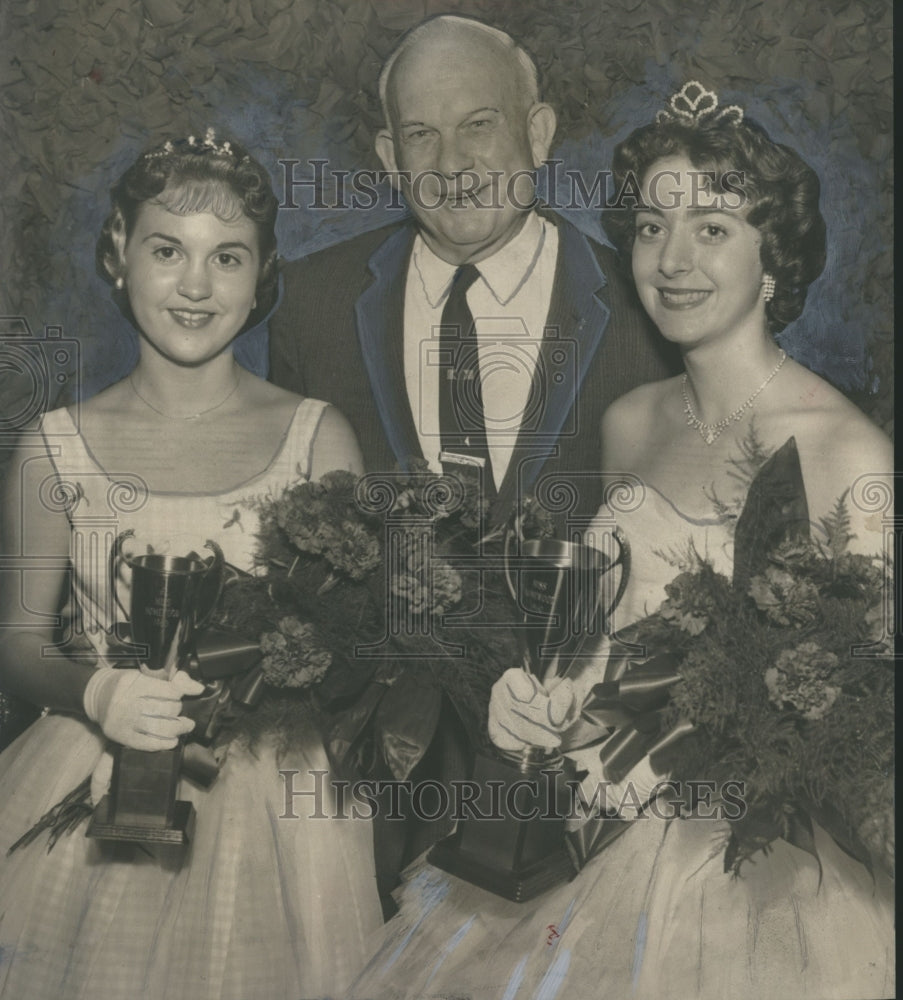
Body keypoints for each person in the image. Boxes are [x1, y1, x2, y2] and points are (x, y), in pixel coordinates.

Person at [343, 84, 894, 1000]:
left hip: (743, 871)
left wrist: (666, 753)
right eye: (649, 226)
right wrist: (536, 696)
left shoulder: (843, 450)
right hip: (575, 831)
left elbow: (862, 721)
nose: (671, 260)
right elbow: (598, 629)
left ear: (776, 256)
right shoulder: (631, 421)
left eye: (712, 228)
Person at [269, 13, 678, 910]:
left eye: (479, 124)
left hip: (574, 798)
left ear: (536, 131)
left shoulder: (653, 318)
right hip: (361, 794)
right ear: (386, 152)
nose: (450, 161)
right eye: (421, 133)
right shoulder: (311, 304)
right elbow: (294, 558)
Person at [0, 132, 383, 999]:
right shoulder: (52, 448)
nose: (197, 286)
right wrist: (98, 693)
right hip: (96, 763)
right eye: (167, 250)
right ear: (117, 253)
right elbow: (16, 643)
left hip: (276, 797)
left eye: (228, 258)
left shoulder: (317, 437)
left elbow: (354, 650)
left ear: (262, 276)